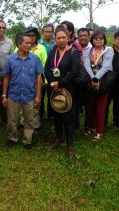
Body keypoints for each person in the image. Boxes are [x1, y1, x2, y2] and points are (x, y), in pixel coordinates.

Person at [1, 33, 43, 150]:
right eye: (27, 43)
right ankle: (12, 138)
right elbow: (7, 77)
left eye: (30, 43)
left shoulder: (35, 59)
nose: (29, 45)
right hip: (13, 95)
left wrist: (38, 95)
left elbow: (38, 77)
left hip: (29, 95)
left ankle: (27, 141)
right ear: (19, 44)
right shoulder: (10, 59)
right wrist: (4, 95)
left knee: (29, 120)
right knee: (12, 120)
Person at [45, 27, 81, 157]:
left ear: (68, 38)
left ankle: (70, 145)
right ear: (55, 39)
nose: (61, 40)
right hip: (54, 89)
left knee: (68, 117)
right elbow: (47, 69)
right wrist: (53, 84)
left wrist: (60, 83)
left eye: (63, 37)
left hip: (68, 89)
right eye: (58, 38)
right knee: (57, 114)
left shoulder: (73, 52)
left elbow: (74, 71)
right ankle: (59, 138)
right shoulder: (52, 52)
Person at [82, 31, 114, 141]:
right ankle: (92, 127)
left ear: (104, 39)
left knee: (101, 107)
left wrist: (97, 79)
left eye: (101, 38)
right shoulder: (89, 50)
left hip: (103, 82)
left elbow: (106, 66)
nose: (98, 40)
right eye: (96, 38)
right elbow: (86, 64)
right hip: (91, 82)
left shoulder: (108, 50)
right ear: (92, 40)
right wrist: (92, 79)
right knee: (91, 106)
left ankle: (100, 130)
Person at [0, 20, 15, 124]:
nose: (1, 29)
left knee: (4, 96)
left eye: (3, 28)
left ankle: (5, 119)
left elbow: (12, 58)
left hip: (4, 75)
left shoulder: (9, 42)